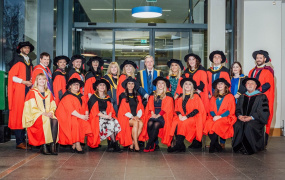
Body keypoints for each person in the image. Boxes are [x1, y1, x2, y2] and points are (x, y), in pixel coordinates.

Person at [22, 73, 58, 155]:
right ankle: (44, 145)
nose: (42, 81)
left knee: (55, 120)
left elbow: (53, 106)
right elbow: (31, 108)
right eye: (40, 79)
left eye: (43, 79)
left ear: (46, 81)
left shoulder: (48, 93)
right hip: (35, 116)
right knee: (45, 119)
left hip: (47, 114)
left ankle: (53, 146)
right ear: (36, 81)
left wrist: (51, 112)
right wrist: (43, 113)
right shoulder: (32, 92)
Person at [168, 78, 206, 153]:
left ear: (192, 87)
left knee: (182, 123)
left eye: (189, 84)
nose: (187, 85)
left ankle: (178, 145)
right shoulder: (181, 97)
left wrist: (186, 117)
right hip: (182, 117)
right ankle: (181, 145)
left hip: (194, 117)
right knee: (175, 123)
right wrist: (179, 115)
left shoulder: (195, 96)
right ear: (183, 86)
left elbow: (197, 110)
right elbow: (177, 109)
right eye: (186, 84)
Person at [232, 78, 269, 155]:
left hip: (256, 120)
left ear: (256, 86)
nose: (250, 85)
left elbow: (263, 111)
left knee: (249, 125)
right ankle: (239, 147)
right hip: (242, 119)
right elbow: (237, 109)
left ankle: (250, 148)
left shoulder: (262, 97)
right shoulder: (242, 96)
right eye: (248, 83)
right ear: (245, 85)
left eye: (252, 83)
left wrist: (251, 117)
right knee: (238, 125)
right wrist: (239, 116)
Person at [8, 41, 34, 149]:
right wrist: (24, 82)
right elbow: (12, 76)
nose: (27, 49)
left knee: (26, 114)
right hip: (19, 91)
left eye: (28, 48)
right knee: (19, 114)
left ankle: (24, 140)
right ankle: (19, 141)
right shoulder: (17, 60)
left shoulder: (29, 61)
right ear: (20, 49)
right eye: (25, 48)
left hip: (27, 89)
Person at [56, 78, 92, 154]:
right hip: (67, 116)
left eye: (78, 85)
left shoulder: (81, 96)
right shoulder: (67, 96)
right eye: (74, 85)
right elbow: (70, 110)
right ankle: (77, 144)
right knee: (76, 123)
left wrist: (86, 114)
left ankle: (74, 145)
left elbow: (85, 106)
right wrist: (82, 116)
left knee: (84, 123)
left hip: (77, 116)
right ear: (70, 87)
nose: (76, 86)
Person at [87, 78, 122, 152]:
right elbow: (94, 111)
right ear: (97, 87)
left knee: (116, 122)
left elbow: (110, 108)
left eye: (104, 85)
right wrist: (106, 116)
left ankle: (112, 142)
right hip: (97, 116)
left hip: (107, 115)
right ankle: (114, 143)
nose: (102, 86)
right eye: (100, 85)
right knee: (111, 123)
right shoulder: (93, 97)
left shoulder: (107, 97)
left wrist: (109, 115)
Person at [182, 53, 209, 149]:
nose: (191, 61)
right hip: (189, 97)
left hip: (199, 97)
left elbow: (202, 84)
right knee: (191, 118)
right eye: (190, 59)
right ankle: (194, 140)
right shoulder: (186, 72)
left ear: (196, 60)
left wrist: (195, 93)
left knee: (199, 118)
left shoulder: (202, 70)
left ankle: (198, 140)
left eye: (193, 59)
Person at [248, 50, 274, 145]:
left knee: (262, 118)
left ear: (265, 59)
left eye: (260, 58)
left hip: (264, 100)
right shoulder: (252, 71)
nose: (258, 59)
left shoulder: (268, 71)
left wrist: (256, 91)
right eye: (257, 58)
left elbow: (268, 85)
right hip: (252, 98)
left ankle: (262, 143)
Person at [203, 78, 237, 153]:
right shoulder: (213, 97)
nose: (219, 85)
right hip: (214, 117)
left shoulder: (230, 96)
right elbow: (211, 109)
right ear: (216, 86)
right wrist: (215, 116)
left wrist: (220, 116)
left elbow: (231, 110)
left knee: (216, 124)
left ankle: (212, 144)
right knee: (208, 124)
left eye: (221, 83)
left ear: (225, 86)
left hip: (226, 117)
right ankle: (217, 145)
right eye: (218, 84)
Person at [143, 76, 174, 152]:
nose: (160, 85)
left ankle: (149, 144)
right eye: (159, 83)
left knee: (156, 124)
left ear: (165, 85)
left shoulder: (168, 95)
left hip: (163, 116)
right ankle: (153, 144)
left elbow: (167, 108)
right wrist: (153, 113)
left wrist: (158, 115)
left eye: (162, 83)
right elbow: (150, 105)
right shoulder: (153, 94)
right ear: (156, 85)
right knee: (150, 123)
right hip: (153, 113)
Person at [117, 77, 145, 152]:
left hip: (136, 116)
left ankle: (132, 143)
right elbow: (122, 110)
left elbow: (140, 108)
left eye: (132, 83)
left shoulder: (138, 95)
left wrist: (137, 116)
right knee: (136, 122)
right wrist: (132, 117)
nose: (130, 85)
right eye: (129, 83)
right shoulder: (122, 95)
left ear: (134, 85)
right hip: (125, 117)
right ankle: (136, 144)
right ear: (126, 85)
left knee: (141, 123)